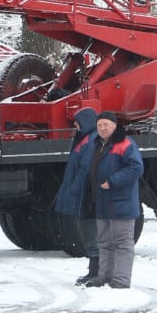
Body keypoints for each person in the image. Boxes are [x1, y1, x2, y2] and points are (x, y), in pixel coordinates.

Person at [91, 111, 144, 290]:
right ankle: (104, 277)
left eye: (105, 124)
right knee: (104, 242)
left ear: (115, 125)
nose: (102, 128)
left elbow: (136, 168)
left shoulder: (125, 144)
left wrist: (112, 182)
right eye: (99, 126)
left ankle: (121, 280)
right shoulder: (99, 145)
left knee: (122, 243)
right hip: (103, 202)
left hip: (121, 203)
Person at [51, 107, 101, 286]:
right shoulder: (85, 139)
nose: (75, 124)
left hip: (87, 196)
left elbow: (86, 169)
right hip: (85, 195)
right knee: (88, 234)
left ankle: (97, 273)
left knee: (91, 233)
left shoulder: (91, 140)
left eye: (78, 120)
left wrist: (75, 190)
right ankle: (93, 271)